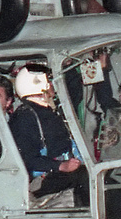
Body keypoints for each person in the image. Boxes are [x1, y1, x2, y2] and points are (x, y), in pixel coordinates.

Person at [9, 65, 89, 206]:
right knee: (85, 177)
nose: (52, 84)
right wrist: (61, 166)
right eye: (49, 81)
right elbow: (26, 158)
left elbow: (74, 96)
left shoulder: (48, 110)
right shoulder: (25, 116)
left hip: (60, 173)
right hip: (42, 179)